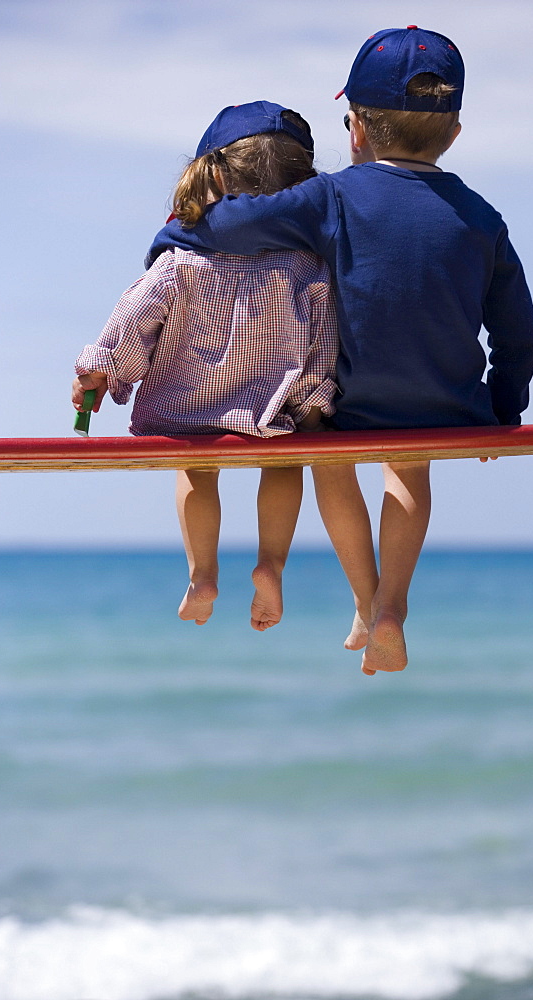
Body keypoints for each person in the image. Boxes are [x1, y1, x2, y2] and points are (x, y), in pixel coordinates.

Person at [144, 27, 533, 676]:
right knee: (408, 473)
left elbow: (236, 225)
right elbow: (517, 330)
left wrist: (182, 227)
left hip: (349, 397)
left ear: (354, 126)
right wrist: (503, 409)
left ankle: (364, 597)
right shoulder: (482, 218)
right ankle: (391, 608)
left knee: (332, 460)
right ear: (455, 132)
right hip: (446, 403)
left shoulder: (331, 196)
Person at [72, 103, 339, 631]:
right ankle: (272, 565)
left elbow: (135, 315)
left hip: (189, 406)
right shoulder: (307, 263)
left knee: (196, 472)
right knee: (285, 464)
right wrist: (314, 404)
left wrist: (99, 368)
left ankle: (203, 575)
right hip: (271, 406)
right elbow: (322, 335)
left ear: (214, 173)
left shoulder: (180, 260)